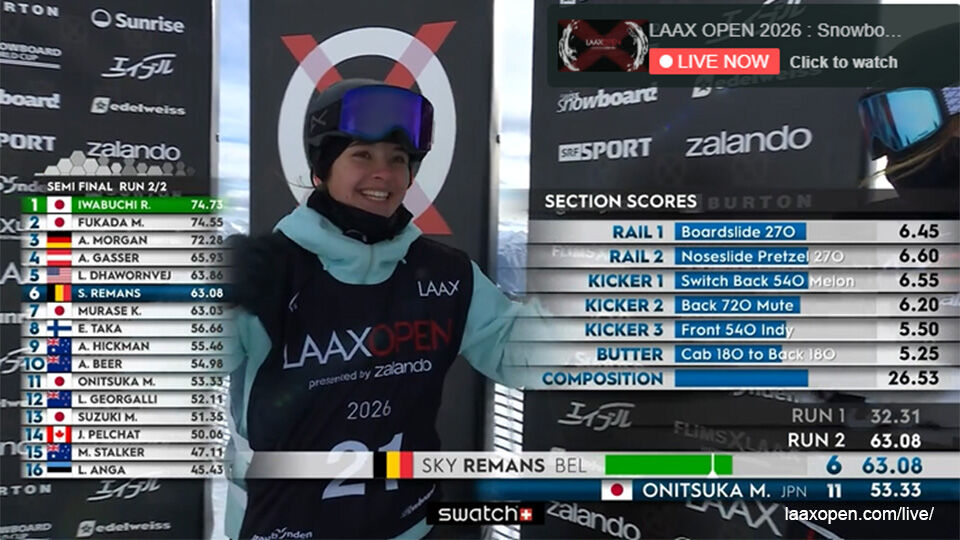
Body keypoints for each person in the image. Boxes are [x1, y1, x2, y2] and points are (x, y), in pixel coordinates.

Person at [224, 79, 532, 540]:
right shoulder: (269, 272)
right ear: (322, 169)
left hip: (410, 527)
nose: (383, 174)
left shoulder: (446, 273)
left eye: (398, 159)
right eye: (362, 155)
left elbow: (517, 350)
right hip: (278, 529)